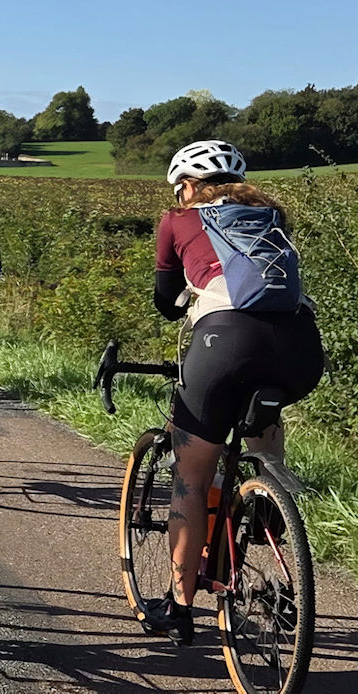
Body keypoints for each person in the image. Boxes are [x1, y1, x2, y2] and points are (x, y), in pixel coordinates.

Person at [139, 140, 324, 645]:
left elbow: (165, 301)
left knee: (191, 478)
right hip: (300, 347)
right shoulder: (271, 216)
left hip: (225, 342)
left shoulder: (178, 219)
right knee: (262, 408)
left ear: (188, 186)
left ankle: (179, 607)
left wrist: (185, 299)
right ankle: (268, 497)